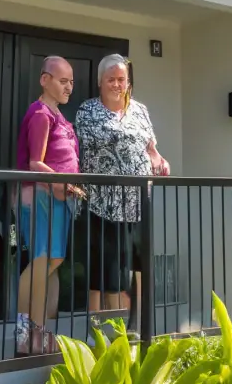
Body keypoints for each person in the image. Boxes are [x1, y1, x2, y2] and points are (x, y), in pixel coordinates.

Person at [75, 53, 169, 319]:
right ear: (100, 82)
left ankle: (136, 327)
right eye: (111, 79)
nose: (117, 85)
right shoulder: (88, 110)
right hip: (103, 203)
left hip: (138, 202)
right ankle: (100, 330)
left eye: (122, 79)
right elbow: (97, 145)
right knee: (104, 271)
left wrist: (159, 160)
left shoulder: (140, 110)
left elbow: (151, 148)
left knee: (138, 267)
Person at [15, 56, 82, 355]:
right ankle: (25, 333)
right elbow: (35, 163)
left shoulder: (58, 115)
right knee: (43, 260)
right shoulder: (42, 113)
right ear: (45, 80)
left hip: (58, 197)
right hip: (41, 196)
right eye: (62, 81)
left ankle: (38, 332)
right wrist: (66, 183)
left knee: (52, 261)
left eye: (71, 82)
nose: (68, 87)